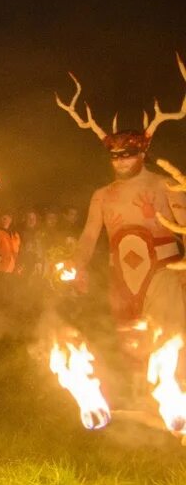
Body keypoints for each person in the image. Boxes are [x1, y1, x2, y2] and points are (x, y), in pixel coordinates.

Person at [58, 73, 186, 339]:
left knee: (170, 340)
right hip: (121, 277)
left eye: (128, 155)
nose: (121, 161)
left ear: (142, 153)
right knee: (132, 346)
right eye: (115, 156)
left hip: (164, 273)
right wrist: (77, 262)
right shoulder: (102, 196)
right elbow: (90, 235)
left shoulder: (166, 185)